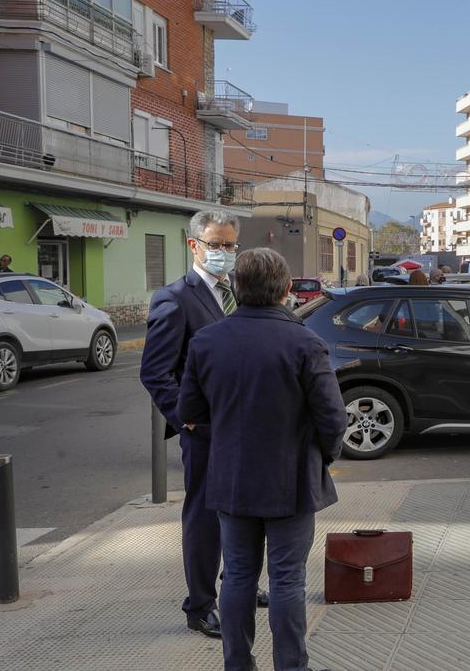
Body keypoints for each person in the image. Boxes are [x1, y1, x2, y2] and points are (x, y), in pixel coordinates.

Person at [179, 248, 346, 671]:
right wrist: (322, 458)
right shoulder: (306, 343)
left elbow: (190, 412)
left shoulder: (206, 341)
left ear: (235, 288)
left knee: (236, 576)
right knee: (288, 579)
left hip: (231, 480)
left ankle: (237, 664)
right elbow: (332, 418)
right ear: (288, 290)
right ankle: (291, 666)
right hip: (290, 481)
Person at [140, 210, 267, 639]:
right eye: (216, 245)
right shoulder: (174, 298)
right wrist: (186, 420)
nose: (225, 253)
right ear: (193, 245)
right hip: (206, 432)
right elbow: (156, 372)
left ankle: (239, 586)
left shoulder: (241, 291)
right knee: (205, 517)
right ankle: (199, 604)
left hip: (246, 427)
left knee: (246, 512)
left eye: (231, 245)